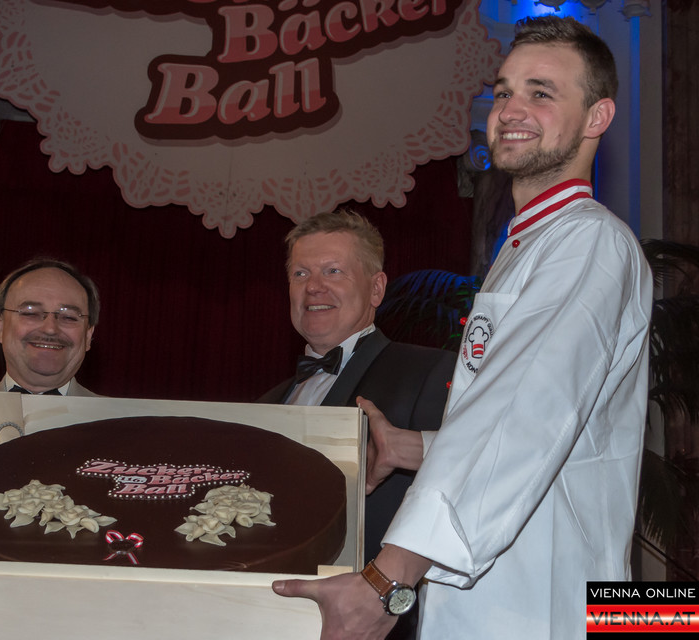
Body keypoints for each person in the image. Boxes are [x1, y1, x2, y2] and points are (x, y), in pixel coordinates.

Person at [273, 15, 653, 640]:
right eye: (503, 91)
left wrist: (385, 582)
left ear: (597, 117)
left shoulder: (588, 242)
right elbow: (548, 428)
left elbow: (523, 416)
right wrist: (413, 448)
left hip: (542, 604)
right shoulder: (525, 246)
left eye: (541, 92)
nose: (511, 109)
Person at [257, 209, 454, 640]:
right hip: (267, 617)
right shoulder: (266, 404)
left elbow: (473, 482)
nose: (314, 286)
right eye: (301, 273)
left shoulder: (427, 372)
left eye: (333, 271)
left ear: (376, 288)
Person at [0, 258, 100, 396]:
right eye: (31, 313)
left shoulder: (120, 411)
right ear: (0, 327)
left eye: (68, 317)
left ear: (88, 335)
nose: (50, 329)